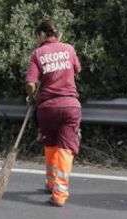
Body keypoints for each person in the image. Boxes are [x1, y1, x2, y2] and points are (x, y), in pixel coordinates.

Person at [25, 18, 82, 207]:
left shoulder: (37, 53)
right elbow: (77, 70)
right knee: (65, 148)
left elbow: (31, 84)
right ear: (58, 34)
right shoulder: (69, 49)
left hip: (47, 108)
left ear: (42, 35)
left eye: (36, 36)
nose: (36, 40)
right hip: (70, 106)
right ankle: (59, 193)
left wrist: (32, 96)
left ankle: (51, 183)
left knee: (50, 144)